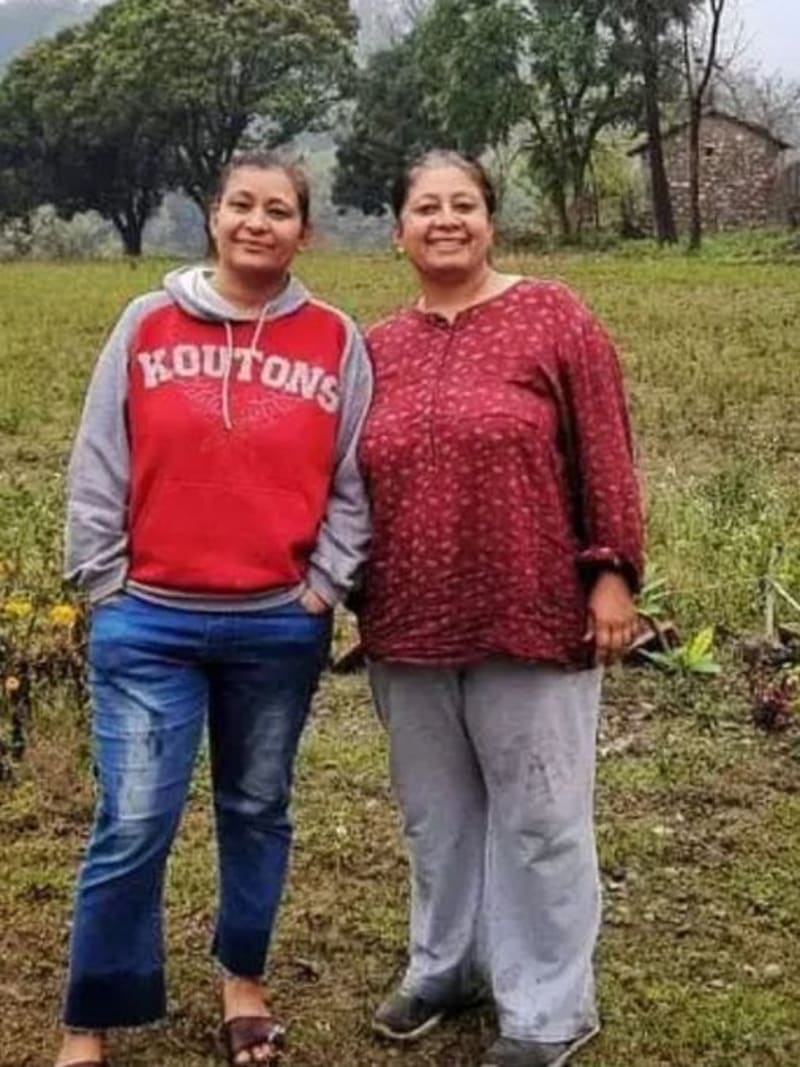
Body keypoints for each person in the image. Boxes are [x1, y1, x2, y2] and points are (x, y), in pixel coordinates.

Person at [56, 152, 371, 1067]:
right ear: (213, 216)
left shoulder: (333, 337)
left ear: (303, 231)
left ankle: (244, 981)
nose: (258, 223)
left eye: (279, 211)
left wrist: (326, 583)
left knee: (257, 805)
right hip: (148, 616)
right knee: (135, 816)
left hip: (278, 618)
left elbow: (354, 476)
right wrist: (104, 583)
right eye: (242, 205)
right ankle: (91, 1017)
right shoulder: (145, 323)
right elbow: (97, 457)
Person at [357, 151, 643, 1067]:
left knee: (541, 814)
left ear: (491, 219)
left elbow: (605, 449)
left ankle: (550, 1007)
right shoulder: (374, 348)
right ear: (397, 229)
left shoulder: (553, 316)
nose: (446, 220)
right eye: (426, 207)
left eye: (465, 204)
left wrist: (612, 574)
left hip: (533, 608)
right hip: (407, 617)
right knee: (436, 814)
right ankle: (446, 964)